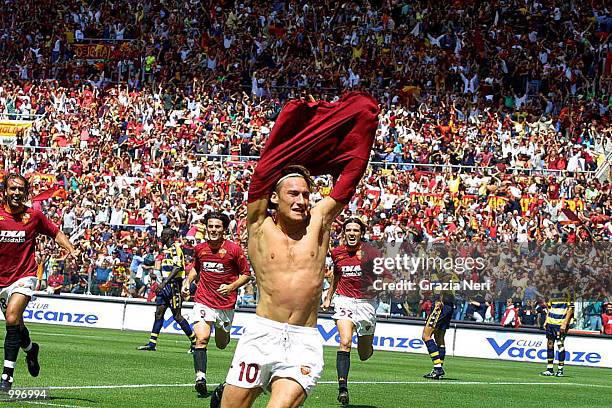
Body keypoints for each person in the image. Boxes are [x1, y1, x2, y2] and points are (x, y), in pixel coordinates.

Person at [212, 92, 379, 408]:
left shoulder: (319, 221)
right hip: (262, 335)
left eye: (307, 194)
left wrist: (364, 122)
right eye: (294, 193)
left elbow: (350, 177)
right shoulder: (259, 225)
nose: (303, 200)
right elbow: (263, 173)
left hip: (303, 340)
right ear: (275, 198)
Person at [0, 173, 77, 391]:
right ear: (5, 191)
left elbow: (55, 233)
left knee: (13, 316)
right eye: (12, 189)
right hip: (2, 280)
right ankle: (31, 350)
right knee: (16, 323)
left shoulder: (34, 216)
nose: (16, 193)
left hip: (25, 276)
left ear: (26, 193)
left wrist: (70, 249)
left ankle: (7, 376)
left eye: (20, 189)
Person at [181, 212, 251, 396]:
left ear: (224, 229)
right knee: (201, 338)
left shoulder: (234, 250)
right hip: (203, 300)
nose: (213, 230)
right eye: (210, 226)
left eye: (217, 226)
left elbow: (246, 274)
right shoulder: (200, 249)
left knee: (221, 344)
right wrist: (187, 283)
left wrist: (231, 287)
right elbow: (196, 268)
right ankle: (200, 378)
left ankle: (225, 332)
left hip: (225, 304)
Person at [322, 217, 384, 405]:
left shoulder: (372, 253)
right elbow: (337, 276)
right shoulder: (337, 253)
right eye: (348, 230)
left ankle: (368, 344)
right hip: (344, 301)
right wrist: (328, 296)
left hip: (366, 303)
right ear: (344, 233)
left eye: (355, 230)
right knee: (345, 341)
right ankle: (343, 388)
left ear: (361, 233)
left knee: (364, 354)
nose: (351, 233)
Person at [138, 227, 196, 352]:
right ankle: (152, 343)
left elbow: (177, 267)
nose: (161, 238)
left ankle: (195, 342)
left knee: (177, 316)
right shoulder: (167, 250)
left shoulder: (176, 248)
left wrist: (164, 283)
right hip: (164, 285)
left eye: (163, 236)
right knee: (159, 313)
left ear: (168, 237)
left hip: (173, 285)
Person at [421, 284, 455, 380]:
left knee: (426, 335)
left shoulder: (442, 273)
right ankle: (437, 369)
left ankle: (438, 368)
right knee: (439, 338)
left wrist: (439, 298)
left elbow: (443, 285)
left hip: (440, 305)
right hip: (448, 305)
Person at [540, 290, 574, 377]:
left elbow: (570, 309)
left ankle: (560, 370)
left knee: (560, 345)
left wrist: (565, 323)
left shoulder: (568, 293)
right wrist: (546, 321)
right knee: (550, 344)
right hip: (551, 323)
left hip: (560, 324)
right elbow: (549, 308)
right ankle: (550, 369)